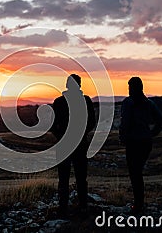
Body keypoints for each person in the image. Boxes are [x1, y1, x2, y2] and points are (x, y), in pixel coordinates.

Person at [51, 74, 96, 217]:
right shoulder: (86, 101)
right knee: (81, 178)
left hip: (64, 145)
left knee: (63, 178)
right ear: (80, 85)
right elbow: (91, 123)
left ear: (67, 85)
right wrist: (81, 134)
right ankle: (83, 206)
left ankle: (63, 208)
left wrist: (61, 137)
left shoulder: (58, 102)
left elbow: (52, 125)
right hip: (81, 144)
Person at [119, 77, 162, 214]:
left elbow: (125, 122)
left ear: (132, 88)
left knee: (135, 174)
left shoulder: (128, 102)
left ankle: (138, 205)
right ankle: (139, 204)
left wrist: (123, 137)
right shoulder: (149, 103)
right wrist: (151, 134)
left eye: (129, 87)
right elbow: (161, 120)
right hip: (145, 142)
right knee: (138, 173)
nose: (128, 89)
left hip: (133, 142)